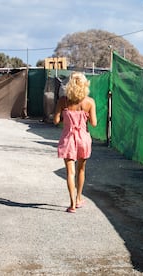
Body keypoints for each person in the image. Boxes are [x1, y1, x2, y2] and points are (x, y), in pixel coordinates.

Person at [53, 72, 97, 213]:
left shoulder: (63, 101)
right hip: (83, 139)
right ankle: (79, 198)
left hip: (68, 139)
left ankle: (72, 205)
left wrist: (64, 117)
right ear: (85, 84)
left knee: (70, 172)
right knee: (81, 169)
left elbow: (55, 121)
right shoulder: (89, 102)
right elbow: (94, 123)